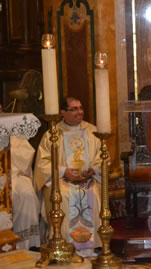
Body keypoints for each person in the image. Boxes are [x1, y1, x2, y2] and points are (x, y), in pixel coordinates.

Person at [34, 97, 102, 257]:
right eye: (74, 109)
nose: (80, 112)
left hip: (88, 179)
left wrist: (92, 170)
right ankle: (64, 243)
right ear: (63, 112)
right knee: (64, 196)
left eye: (81, 107)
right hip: (61, 180)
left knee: (94, 194)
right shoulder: (52, 134)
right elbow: (42, 163)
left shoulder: (93, 131)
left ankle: (94, 245)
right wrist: (64, 171)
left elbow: (102, 157)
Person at [10, 136, 40, 250]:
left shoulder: (10, 128)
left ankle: (27, 246)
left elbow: (25, 155)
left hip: (13, 175)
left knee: (27, 195)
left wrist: (9, 148)